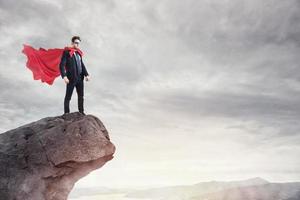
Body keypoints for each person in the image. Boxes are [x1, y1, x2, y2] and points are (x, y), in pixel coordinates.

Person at [59, 36, 90, 115]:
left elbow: (81, 64)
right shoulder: (67, 52)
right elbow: (62, 65)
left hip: (80, 78)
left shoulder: (79, 53)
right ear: (72, 42)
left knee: (81, 96)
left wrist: (86, 74)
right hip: (71, 78)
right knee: (68, 96)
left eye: (78, 43)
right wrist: (64, 76)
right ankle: (66, 113)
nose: (77, 44)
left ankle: (81, 112)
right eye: (76, 43)